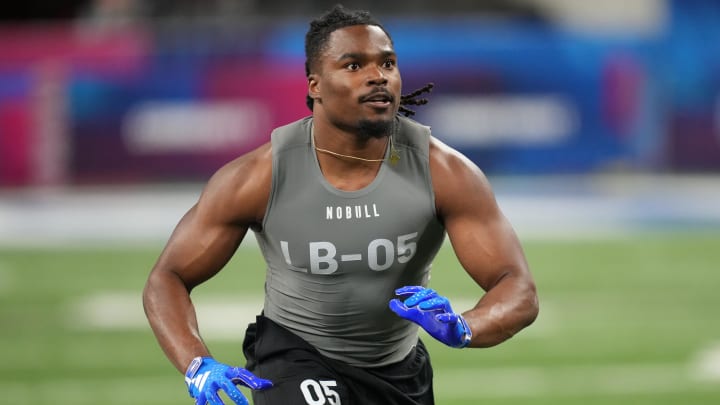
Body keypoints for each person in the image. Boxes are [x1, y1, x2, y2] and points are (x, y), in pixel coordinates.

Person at [142, 4, 539, 405]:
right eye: (353, 66)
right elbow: (168, 278)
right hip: (294, 358)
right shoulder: (258, 176)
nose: (377, 76)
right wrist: (197, 364)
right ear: (315, 84)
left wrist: (464, 327)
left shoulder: (445, 172)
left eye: (388, 63)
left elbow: (517, 287)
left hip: (400, 372)